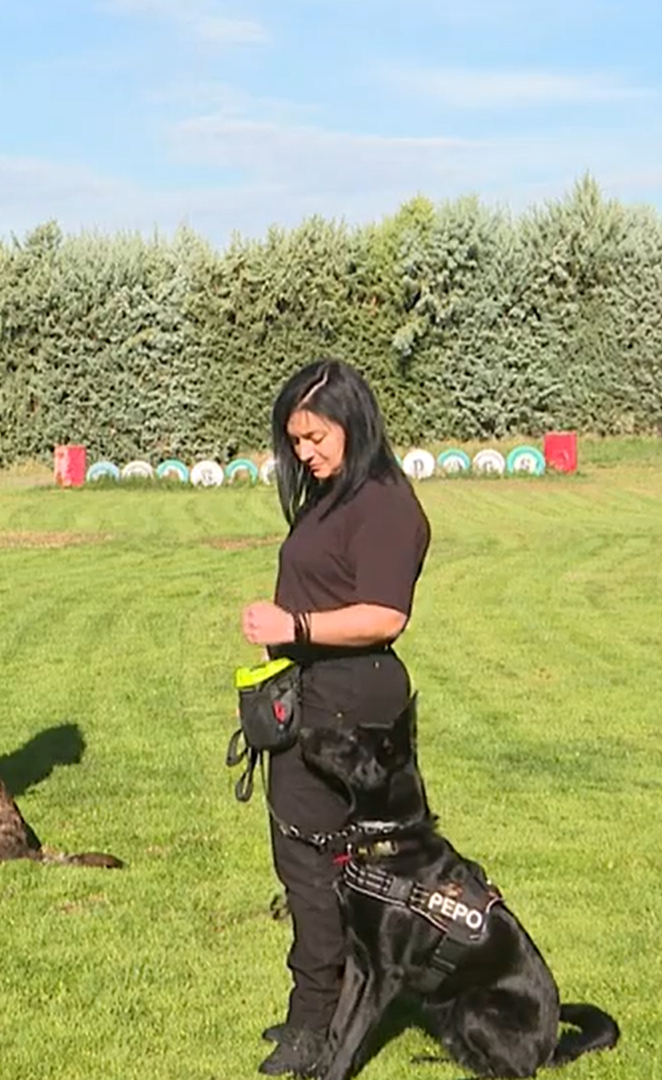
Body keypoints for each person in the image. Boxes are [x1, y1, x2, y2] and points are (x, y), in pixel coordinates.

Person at [238, 359, 431, 1076]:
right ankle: (327, 1009)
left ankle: (317, 1025)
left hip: (348, 701)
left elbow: (386, 613)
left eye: (314, 437)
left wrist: (295, 624)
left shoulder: (381, 502)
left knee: (309, 860)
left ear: (353, 423)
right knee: (328, 860)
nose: (303, 453)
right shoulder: (333, 494)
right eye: (294, 441)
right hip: (323, 690)